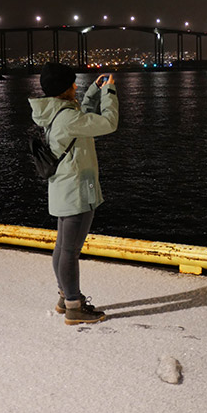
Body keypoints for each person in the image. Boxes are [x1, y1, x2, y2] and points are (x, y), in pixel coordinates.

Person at [28, 63, 119, 325]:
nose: (76, 87)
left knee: (62, 247)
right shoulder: (68, 117)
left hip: (62, 188)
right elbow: (108, 123)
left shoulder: (56, 113)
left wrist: (94, 90)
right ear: (66, 88)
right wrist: (110, 91)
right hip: (77, 191)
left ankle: (64, 296)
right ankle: (74, 306)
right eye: (74, 84)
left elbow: (84, 117)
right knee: (70, 251)